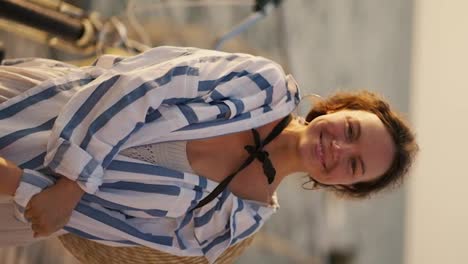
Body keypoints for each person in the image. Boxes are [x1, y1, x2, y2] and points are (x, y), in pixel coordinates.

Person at [0, 46, 418, 263]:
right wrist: (71, 183)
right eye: (350, 129)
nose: (338, 148)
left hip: (21, 205)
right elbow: (141, 84)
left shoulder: (234, 223)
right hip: (40, 109)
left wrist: (19, 186)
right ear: (338, 108)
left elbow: (114, 226)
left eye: (353, 165)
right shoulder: (260, 85)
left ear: (343, 186)